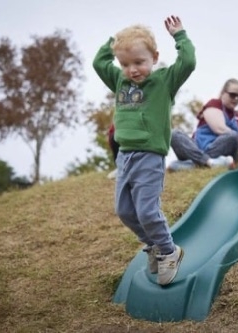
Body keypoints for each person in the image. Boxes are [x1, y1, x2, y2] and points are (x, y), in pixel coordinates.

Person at [93, 15, 196, 285]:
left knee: (147, 211)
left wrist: (180, 36)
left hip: (150, 156)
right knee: (125, 211)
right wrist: (111, 42)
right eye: (125, 64)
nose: (132, 70)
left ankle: (168, 250)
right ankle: (152, 246)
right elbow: (99, 63)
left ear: (154, 57)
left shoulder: (163, 81)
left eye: (139, 62)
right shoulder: (120, 82)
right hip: (125, 156)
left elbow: (188, 62)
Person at [168, 78, 238, 172]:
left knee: (233, 136)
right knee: (174, 134)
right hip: (196, 148)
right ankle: (211, 162)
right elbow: (219, 128)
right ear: (223, 93)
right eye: (232, 95)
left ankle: (184, 165)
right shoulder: (214, 104)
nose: (236, 98)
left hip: (218, 152)